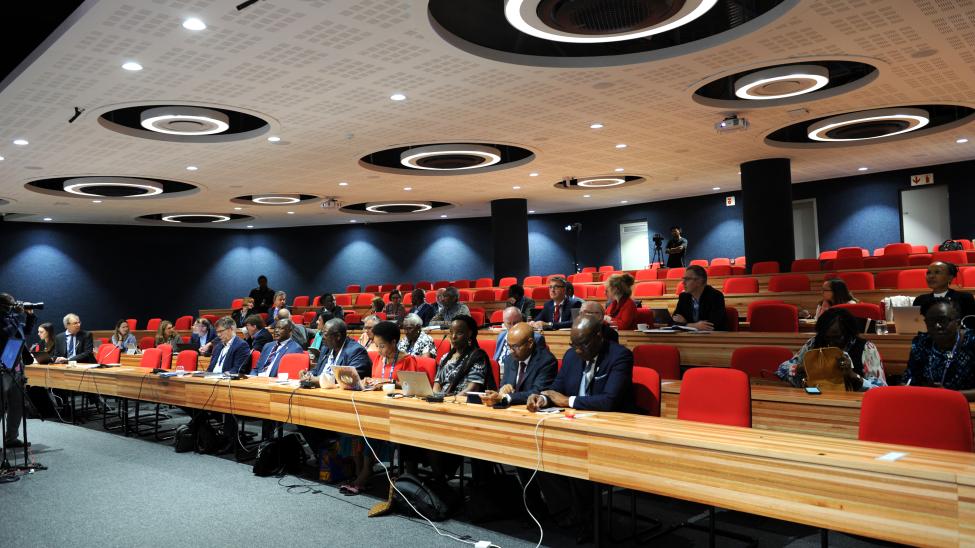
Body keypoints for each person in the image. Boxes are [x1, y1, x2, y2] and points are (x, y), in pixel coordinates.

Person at [526, 317, 634, 543]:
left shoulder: (620, 356)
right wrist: (543, 399)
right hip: (574, 425)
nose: (577, 349)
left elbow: (609, 401)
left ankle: (585, 519)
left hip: (608, 430)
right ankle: (569, 513)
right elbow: (556, 389)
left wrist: (568, 401)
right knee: (538, 452)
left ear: (598, 337)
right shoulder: (572, 356)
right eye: (572, 344)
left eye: (582, 344)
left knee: (577, 460)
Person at [776, 307, 887, 391]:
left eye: (837, 338)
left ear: (849, 333)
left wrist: (853, 376)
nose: (831, 342)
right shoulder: (815, 342)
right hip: (816, 396)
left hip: (852, 403)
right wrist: (803, 367)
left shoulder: (866, 348)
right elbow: (782, 370)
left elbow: (881, 389)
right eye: (827, 338)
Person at [904, 298, 975, 400]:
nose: (937, 326)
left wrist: (947, 395)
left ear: (958, 323)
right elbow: (908, 380)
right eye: (930, 322)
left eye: (943, 321)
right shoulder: (922, 343)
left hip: (965, 407)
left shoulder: (972, 341)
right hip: (928, 404)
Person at [482, 322, 558, 407]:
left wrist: (507, 397)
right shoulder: (509, 359)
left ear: (530, 343)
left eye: (515, 346)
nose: (511, 351)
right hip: (511, 410)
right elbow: (504, 388)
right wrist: (502, 391)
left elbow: (537, 392)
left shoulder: (546, 361)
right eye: (509, 346)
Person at [1, 294, 36, 448]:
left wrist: (30, 316)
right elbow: (6, 333)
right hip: (2, 370)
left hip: (17, 368)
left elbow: (25, 330)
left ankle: (11, 438)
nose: (14, 305)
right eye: (11, 303)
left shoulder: (13, 319)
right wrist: (17, 314)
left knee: (17, 405)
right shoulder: (5, 320)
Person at [433, 315, 494, 396]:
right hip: (442, 401)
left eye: (459, 333)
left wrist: (450, 401)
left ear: (469, 334)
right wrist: (436, 398)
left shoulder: (477, 357)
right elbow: (436, 385)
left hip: (462, 402)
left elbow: (473, 388)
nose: (453, 336)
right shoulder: (445, 357)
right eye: (451, 332)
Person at [303, 318, 372, 384]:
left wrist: (321, 381)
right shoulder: (326, 349)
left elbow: (350, 378)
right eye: (322, 333)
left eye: (326, 334)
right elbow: (317, 371)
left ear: (338, 336)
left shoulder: (356, 351)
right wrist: (308, 374)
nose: (323, 337)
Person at [913, 262, 975, 327]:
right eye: (928, 273)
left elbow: (970, 325)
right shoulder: (920, 300)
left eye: (937, 272)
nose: (931, 276)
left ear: (950, 278)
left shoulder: (965, 298)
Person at [672, 265, 727, 331]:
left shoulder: (715, 296)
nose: (683, 283)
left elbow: (712, 325)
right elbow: (672, 322)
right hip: (688, 338)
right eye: (683, 279)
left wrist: (685, 323)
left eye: (687, 279)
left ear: (699, 281)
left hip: (711, 338)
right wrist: (692, 325)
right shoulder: (683, 297)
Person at [367, 321, 419, 385]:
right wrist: (369, 381)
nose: (378, 350)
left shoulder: (408, 360)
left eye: (382, 346)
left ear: (393, 342)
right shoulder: (378, 358)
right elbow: (375, 380)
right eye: (377, 346)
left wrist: (390, 383)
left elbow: (411, 385)